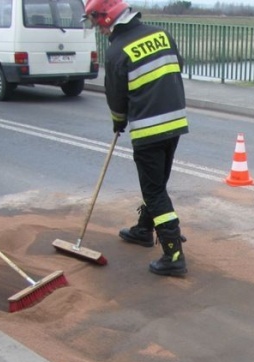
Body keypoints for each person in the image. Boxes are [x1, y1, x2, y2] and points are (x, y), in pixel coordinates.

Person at [82, 0, 189, 277]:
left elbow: (115, 97)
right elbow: (178, 65)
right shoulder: (162, 35)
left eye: (97, 25)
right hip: (175, 122)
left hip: (148, 129)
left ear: (107, 19)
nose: (99, 31)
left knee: (154, 190)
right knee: (157, 182)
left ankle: (173, 253)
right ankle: (144, 229)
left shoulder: (118, 51)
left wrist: (118, 121)